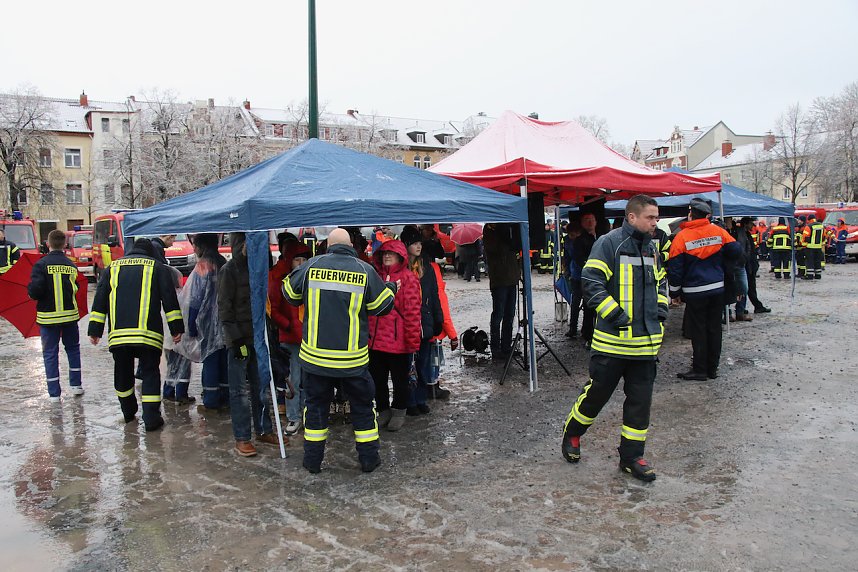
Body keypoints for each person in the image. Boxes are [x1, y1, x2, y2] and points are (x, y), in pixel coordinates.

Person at [561, 195, 667, 482]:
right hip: (612, 345)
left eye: (656, 217)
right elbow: (591, 283)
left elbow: (662, 282)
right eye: (650, 217)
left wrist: (661, 308)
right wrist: (616, 316)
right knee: (596, 396)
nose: (655, 222)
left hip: (645, 347)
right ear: (632, 217)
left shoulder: (652, 249)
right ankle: (572, 432)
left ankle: (632, 457)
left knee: (639, 404)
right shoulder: (609, 243)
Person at [283, 228, 398, 474]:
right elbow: (382, 306)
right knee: (363, 410)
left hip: (315, 360)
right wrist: (391, 288)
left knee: (315, 410)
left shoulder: (312, 266)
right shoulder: (364, 270)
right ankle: (368, 460)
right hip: (352, 361)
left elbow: (289, 295)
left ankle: (312, 462)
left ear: (327, 245)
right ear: (351, 245)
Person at [88, 238, 184, 431]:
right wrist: (176, 329)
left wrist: (95, 331)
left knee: (122, 375)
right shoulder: (158, 268)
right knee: (150, 375)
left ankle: (128, 413)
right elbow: (170, 301)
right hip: (148, 335)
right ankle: (151, 420)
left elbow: (99, 302)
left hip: (119, 336)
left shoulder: (111, 269)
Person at [218, 233, 282, 458]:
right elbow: (225, 310)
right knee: (239, 391)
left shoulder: (260, 269)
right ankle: (242, 437)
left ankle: (264, 429)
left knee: (261, 384)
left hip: (258, 337)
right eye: (246, 243)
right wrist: (235, 340)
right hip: (238, 340)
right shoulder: (229, 271)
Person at [668, 198, 741, 381]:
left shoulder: (681, 237)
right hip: (717, 289)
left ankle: (699, 370)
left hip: (694, 292)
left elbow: (675, 269)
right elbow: (736, 251)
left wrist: (674, 292)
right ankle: (712, 369)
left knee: (699, 331)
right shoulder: (718, 231)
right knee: (715, 329)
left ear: (691, 214)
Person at [367, 239, 421, 431]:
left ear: (400, 256)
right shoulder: (374, 276)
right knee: (377, 380)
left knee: (400, 381)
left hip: (398, 342)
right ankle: (383, 410)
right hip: (374, 340)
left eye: (391, 253)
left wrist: (413, 342)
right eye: (384, 253)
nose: (387, 256)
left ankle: (399, 410)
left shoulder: (408, 278)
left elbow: (413, 313)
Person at [28, 229, 84, 402]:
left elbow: (36, 291)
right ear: (65, 245)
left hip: (48, 318)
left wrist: (30, 292)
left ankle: (54, 393)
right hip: (69, 316)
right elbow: (76, 288)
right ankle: (76, 386)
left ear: (48, 244)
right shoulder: (71, 265)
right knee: (73, 349)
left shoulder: (40, 265)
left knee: (50, 353)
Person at [269, 238, 312, 434]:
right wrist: (288, 327)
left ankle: (308, 414)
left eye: (304, 260)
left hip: (311, 338)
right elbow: (273, 310)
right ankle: (294, 417)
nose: (301, 264)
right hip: (292, 340)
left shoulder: (313, 281)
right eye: (297, 260)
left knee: (310, 379)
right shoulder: (281, 281)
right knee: (293, 380)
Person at [402, 226, 444, 417]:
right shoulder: (400, 268)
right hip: (406, 324)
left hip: (425, 322)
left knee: (423, 364)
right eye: (414, 243)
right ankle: (409, 400)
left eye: (419, 242)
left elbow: (434, 295)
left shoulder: (426, 267)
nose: (419, 246)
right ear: (406, 244)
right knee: (407, 366)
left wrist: (438, 319)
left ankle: (420, 399)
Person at [186, 233, 229, 410]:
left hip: (208, 323)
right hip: (226, 320)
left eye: (195, 245)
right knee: (224, 361)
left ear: (203, 246)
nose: (194, 249)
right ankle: (226, 398)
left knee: (210, 360)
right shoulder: (223, 262)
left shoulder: (203, 266)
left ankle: (211, 401)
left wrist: (191, 323)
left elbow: (195, 298)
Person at [482, 223, 521, 359]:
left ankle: (506, 346)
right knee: (498, 314)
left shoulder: (507, 229)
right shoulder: (489, 231)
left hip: (511, 279)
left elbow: (515, 250)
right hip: (499, 281)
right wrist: (503, 234)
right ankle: (496, 348)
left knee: (510, 314)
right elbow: (496, 249)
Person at [574, 212, 599, 345]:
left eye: (592, 220)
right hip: (588, 277)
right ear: (582, 223)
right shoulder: (580, 240)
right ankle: (587, 333)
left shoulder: (602, 238)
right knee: (589, 305)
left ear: (596, 222)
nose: (589, 222)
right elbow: (578, 259)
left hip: (603, 277)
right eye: (586, 220)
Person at [740, 218, 771, 314]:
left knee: (749, 287)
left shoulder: (746, 234)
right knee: (746, 287)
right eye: (750, 224)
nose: (752, 226)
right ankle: (744, 308)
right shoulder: (743, 235)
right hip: (747, 265)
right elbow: (746, 251)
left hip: (750, 265)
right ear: (745, 224)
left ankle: (755, 306)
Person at [561, 221, 583, 338]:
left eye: (574, 235)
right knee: (575, 303)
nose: (572, 237)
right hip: (575, 275)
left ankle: (585, 329)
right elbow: (567, 257)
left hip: (584, 275)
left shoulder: (584, 241)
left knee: (587, 305)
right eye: (570, 235)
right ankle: (573, 328)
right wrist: (567, 272)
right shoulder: (568, 242)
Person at [802, 214, 825, 280]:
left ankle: (810, 275)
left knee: (809, 261)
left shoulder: (808, 226)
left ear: (809, 220)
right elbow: (824, 236)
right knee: (817, 261)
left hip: (810, 247)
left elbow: (805, 237)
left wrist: (803, 245)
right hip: (818, 247)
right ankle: (818, 275)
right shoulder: (821, 226)